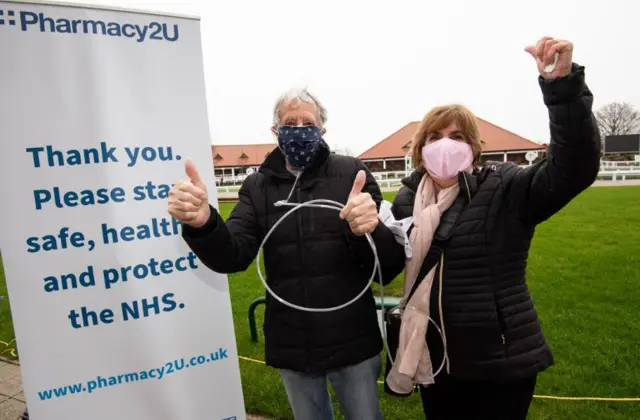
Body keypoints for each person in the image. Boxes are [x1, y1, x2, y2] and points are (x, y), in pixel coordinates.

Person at [385, 37, 601, 419]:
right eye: (435, 137)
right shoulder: (407, 202)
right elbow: (386, 268)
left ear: (473, 147)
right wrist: (363, 231)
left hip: (501, 362)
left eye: (456, 136)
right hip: (438, 361)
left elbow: (574, 169)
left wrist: (562, 89)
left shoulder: (505, 187)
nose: (444, 145)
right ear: (420, 149)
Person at [168, 88, 405, 420]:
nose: (299, 128)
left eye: (307, 122)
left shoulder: (352, 173)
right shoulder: (258, 186)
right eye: (289, 122)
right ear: (275, 131)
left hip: (352, 339)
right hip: (293, 342)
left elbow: (387, 266)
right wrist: (204, 223)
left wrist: (368, 229)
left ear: (322, 130)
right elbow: (233, 255)